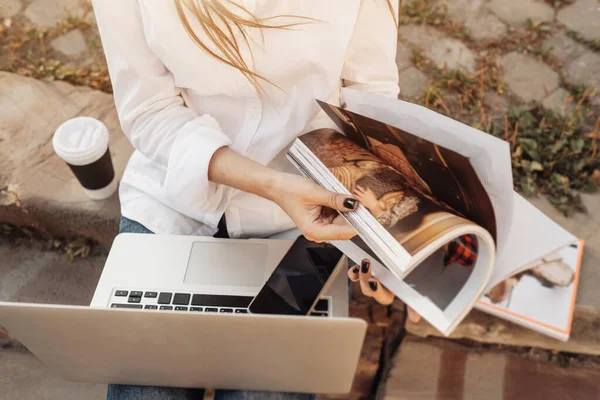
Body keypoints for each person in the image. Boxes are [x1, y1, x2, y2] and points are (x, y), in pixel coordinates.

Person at [92, 1, 401, 398]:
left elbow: (370, 98)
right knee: (144, 387)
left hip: (306, 227)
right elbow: (149, 111)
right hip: (171, 202)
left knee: (267, 391)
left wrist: (382, 243)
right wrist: (272, 185)